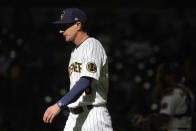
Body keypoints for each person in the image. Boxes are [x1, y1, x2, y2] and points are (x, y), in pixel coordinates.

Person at [43, 8, 113, 131]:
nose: (61, 31)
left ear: (78, 25)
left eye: (64, 26)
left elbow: (85, 80)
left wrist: (59, 104)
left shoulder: (92, 44)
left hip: (94, 114)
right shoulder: (74, 52)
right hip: (74, 115)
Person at [131, 62, 195, 131]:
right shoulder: (186, 90)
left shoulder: (171, 93)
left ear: (170, 76)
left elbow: (162, 120)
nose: (161, 77)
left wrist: (144, 122)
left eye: (164, 75)